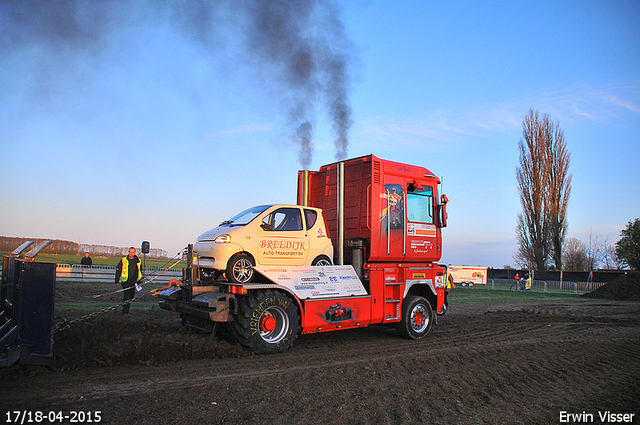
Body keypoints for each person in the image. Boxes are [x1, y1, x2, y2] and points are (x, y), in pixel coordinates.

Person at [115, 247, 142, 316]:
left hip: (134, 282)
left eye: (132, 252)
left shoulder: (139, 261)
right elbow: (118, 270)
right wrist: (116, 281)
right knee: (126, 296)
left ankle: (127, 310)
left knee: (131, 297)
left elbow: (140, 272)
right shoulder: (123, 260)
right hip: (126, 282)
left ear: (135, 252)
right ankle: (125, 311)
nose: (131, 254)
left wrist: (139, 282)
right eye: (130, 252)